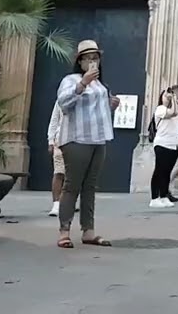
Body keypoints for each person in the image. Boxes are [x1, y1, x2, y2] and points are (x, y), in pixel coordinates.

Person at [53, 39, 119, 248]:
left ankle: (88, 231)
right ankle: (64, 232)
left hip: (98, 139)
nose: (93, 62)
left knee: (90, 186)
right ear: (80, 62)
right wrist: (83, 84)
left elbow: (98, 113)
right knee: (72, 185)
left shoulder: (101, 84)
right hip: (76, 138)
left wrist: (112, 105)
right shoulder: (71, 80)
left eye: (95, 58)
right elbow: (63, 103)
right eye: (88, 58)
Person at [149, 85, 178, 208]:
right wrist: (173, 100)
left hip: (173, 144)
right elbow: (172, 113)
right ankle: (154, 198)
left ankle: (163, 196)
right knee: (159, 170)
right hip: (162, 143)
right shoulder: (160, 109)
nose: (168, 98)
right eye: (165, 96)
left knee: (167, 172)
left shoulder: (175, 107)